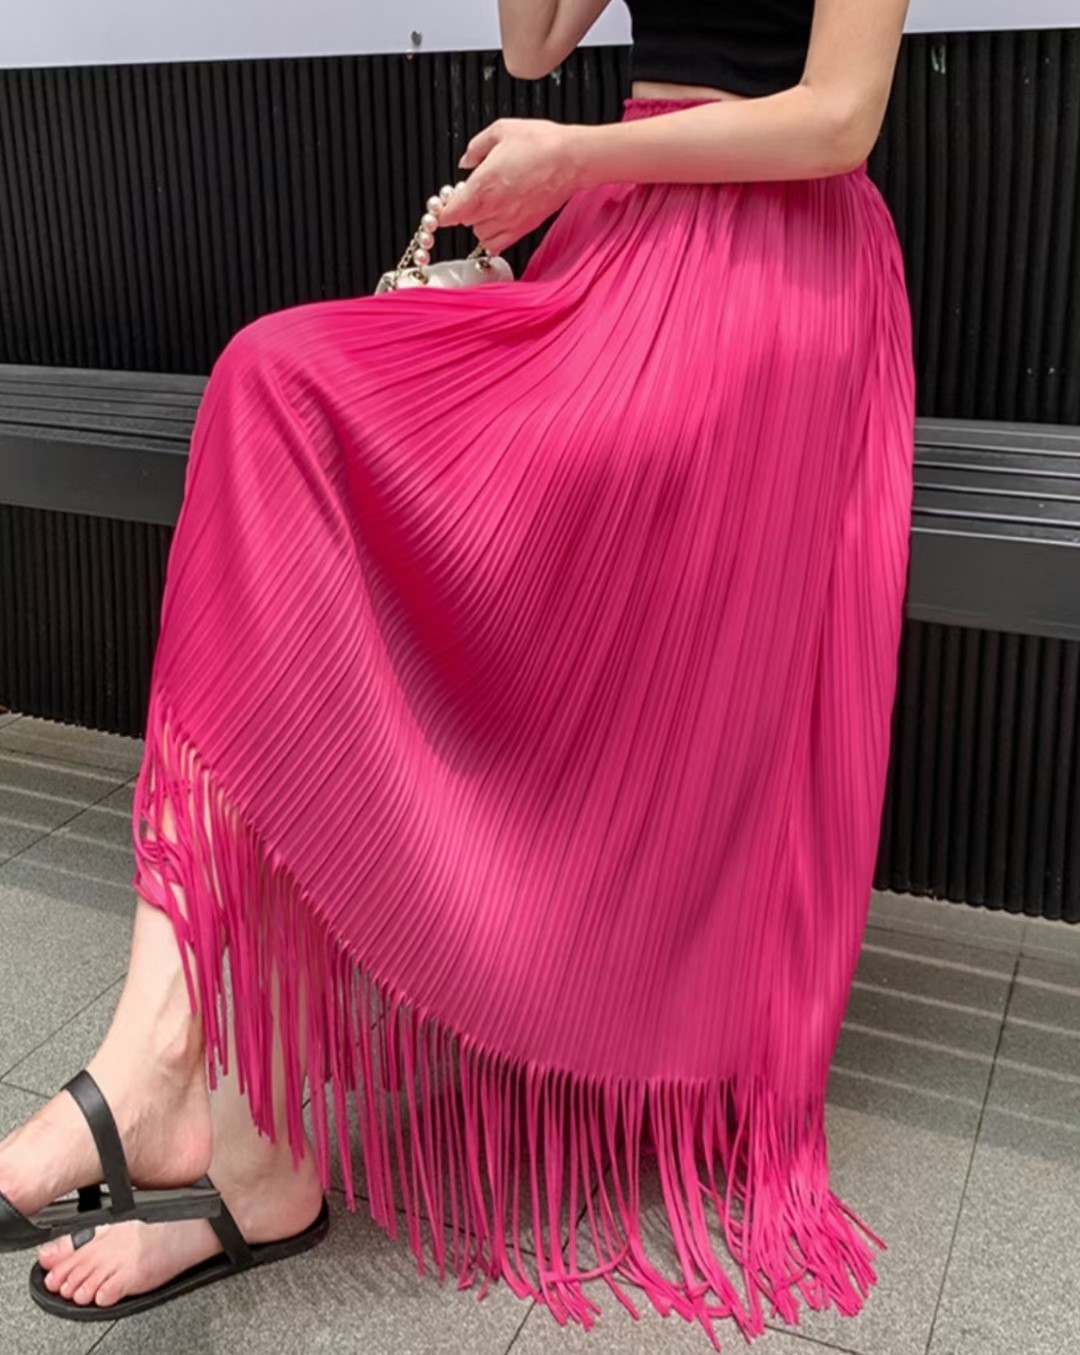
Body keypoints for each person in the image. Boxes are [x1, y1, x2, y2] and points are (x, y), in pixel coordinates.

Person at [0, 0, 914, 1343]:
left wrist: (578, 159)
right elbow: (535, 41)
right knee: (271, 393)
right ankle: (193, 1086)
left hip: (765, 293)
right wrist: (581, 163)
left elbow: (838, 118)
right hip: (621, 252)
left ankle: (199, 1111)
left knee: (302, 415)